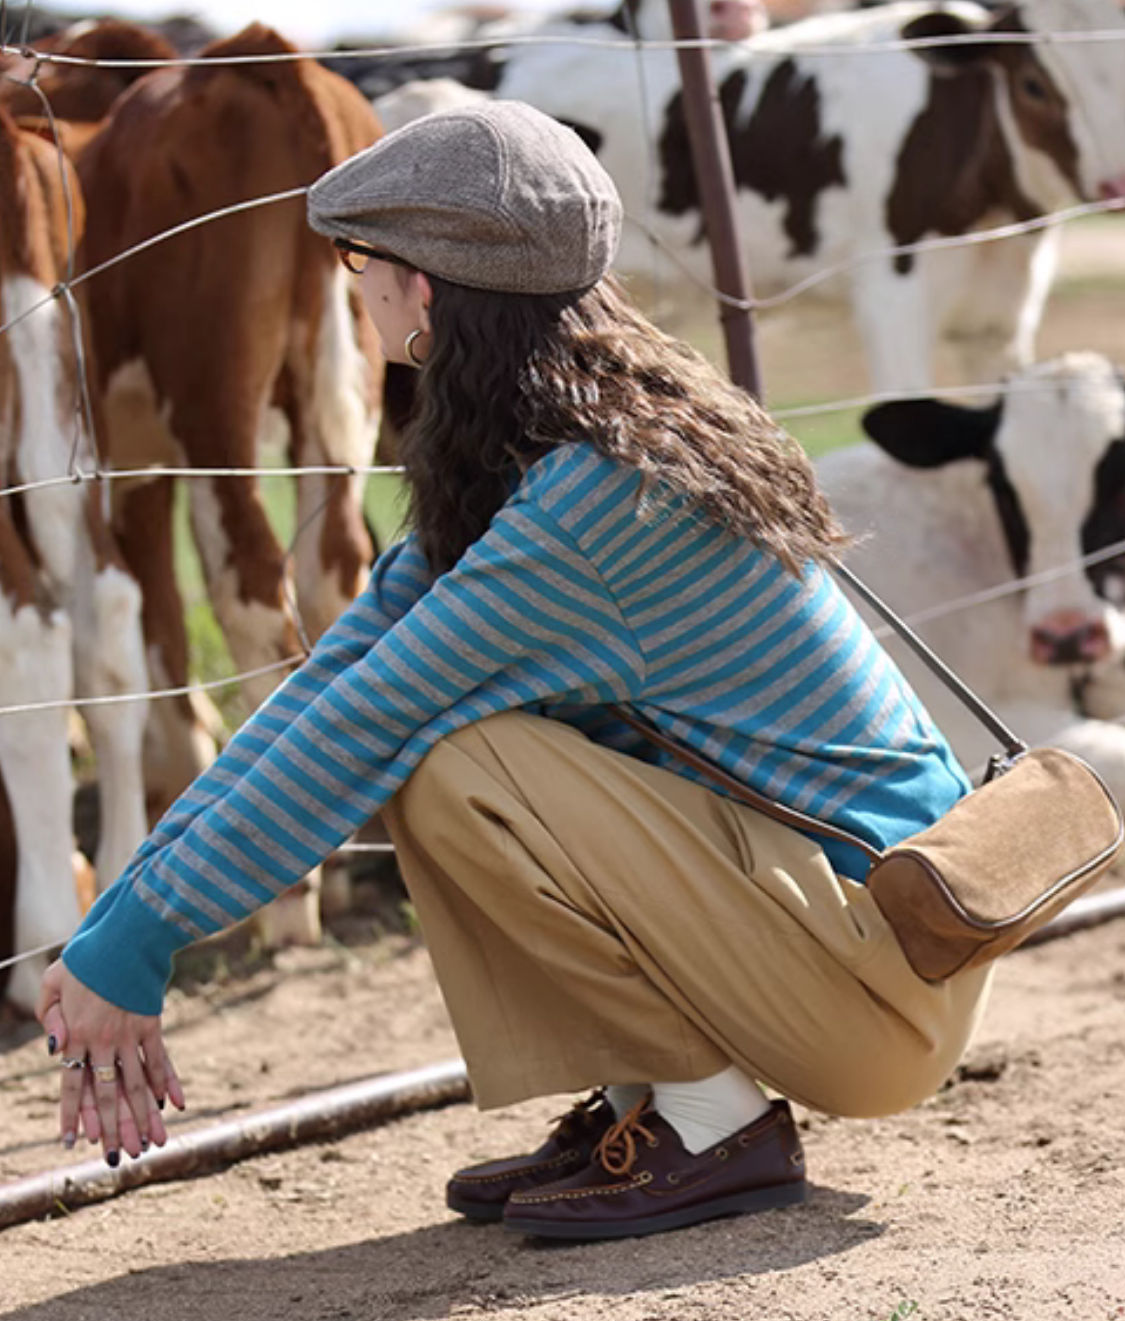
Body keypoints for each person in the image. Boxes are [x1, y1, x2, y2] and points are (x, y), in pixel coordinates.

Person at [37, 100, 992, 1243]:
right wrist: (123, 933)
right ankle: (656, 1102)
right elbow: (324, 689)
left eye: (360, 260)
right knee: (439, 740)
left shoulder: (590, 508)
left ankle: (713, 1121)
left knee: (454, 759)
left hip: (873, 986)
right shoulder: (559, 452)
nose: (354, 286)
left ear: (425, 290)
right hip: (858, 941)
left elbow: (365, 728)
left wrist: (135, 943)